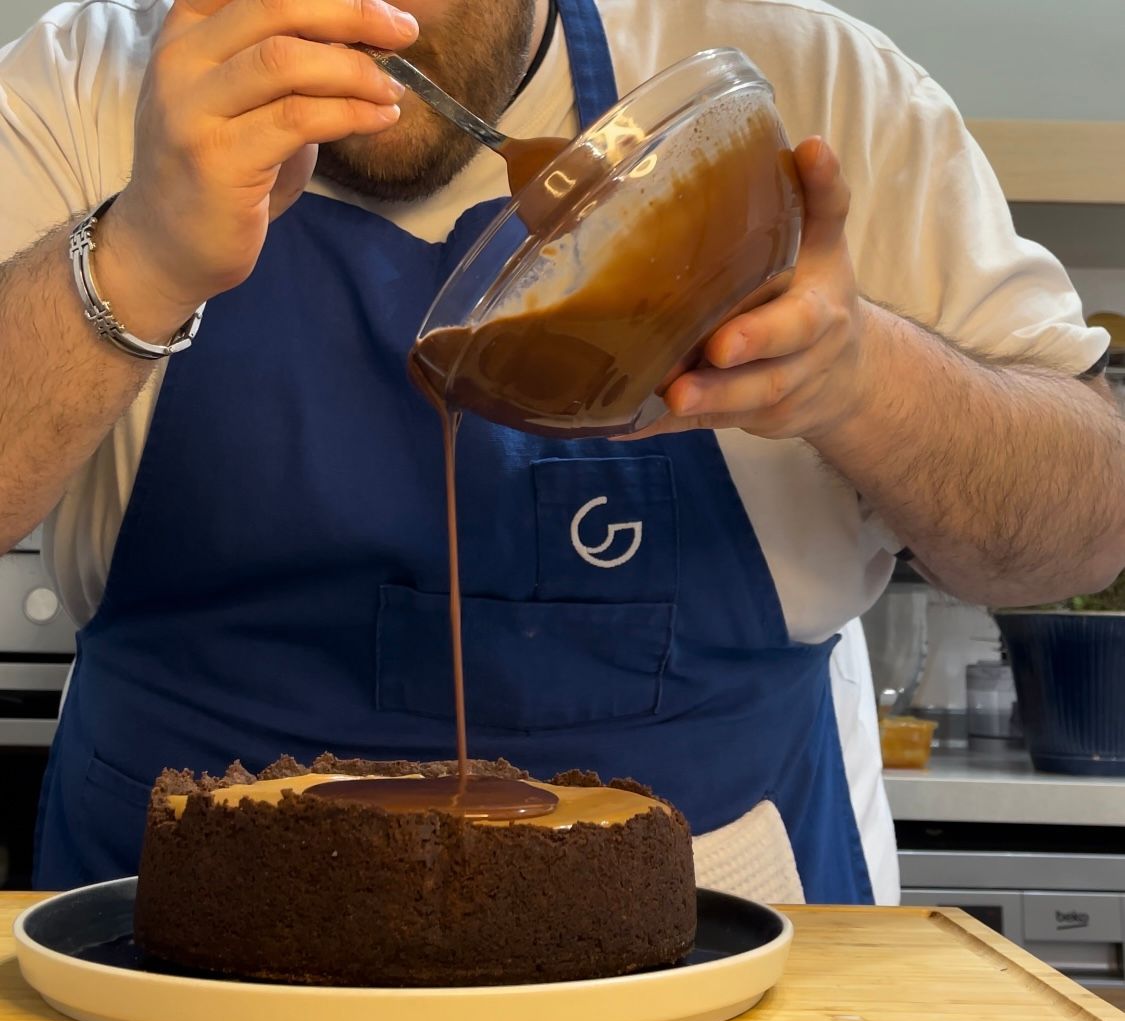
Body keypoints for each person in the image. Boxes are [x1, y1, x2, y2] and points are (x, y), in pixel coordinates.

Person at [0, 0, 1121, 902]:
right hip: (173, 967)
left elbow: (1084, 530)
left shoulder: (815, 87)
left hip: (716, 978)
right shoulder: (81, 91)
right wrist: (139, 255)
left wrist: (863, 377)